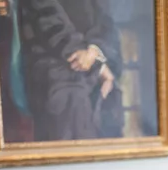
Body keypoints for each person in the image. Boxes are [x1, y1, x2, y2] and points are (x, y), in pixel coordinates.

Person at [11, 0, 124, 141]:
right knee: (71, 100)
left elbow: (106, 23)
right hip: (52, 63)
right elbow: (48, 20)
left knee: (110, 100)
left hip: (93, 60)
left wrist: (95, 50)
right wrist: (92, 62)